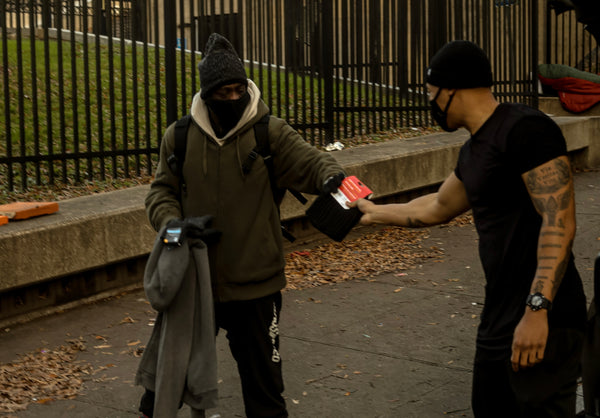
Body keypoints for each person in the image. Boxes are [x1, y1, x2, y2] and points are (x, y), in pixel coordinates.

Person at [350, 40, 587, 417]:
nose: (430, 102)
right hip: (499, 316)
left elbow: (558, 220)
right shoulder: (475, 150)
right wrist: (372, 212)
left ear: (451, 90)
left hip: (546, 317)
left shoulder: (526, 129)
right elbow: (438, 206)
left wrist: (538, 308)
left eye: (431, 92)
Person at [138, 33, 345, 418]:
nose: (234, 99)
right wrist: (175, 226)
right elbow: (160, 194)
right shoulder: (179, 138)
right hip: (194, 284)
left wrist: (332, 178)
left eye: (239, 90)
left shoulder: (269, 132)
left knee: (265, 396)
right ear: (207, 95)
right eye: (224, 93)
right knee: (163, 387)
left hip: (256, 287)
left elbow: (312, 161)